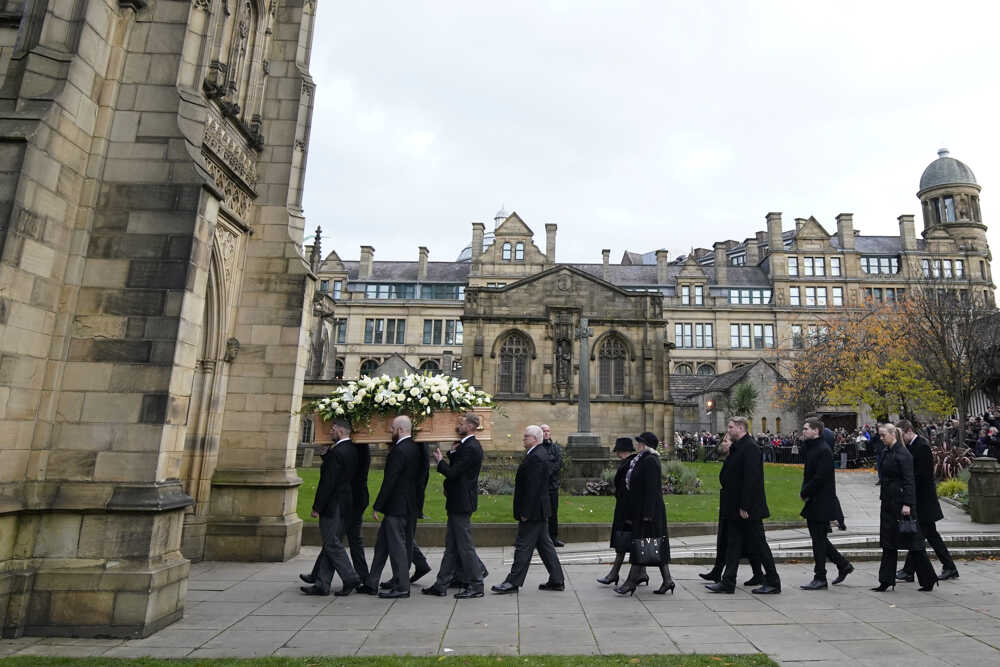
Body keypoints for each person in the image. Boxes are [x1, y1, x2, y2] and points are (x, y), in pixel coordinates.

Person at [706, 416, 781, 595]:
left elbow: (752, 479)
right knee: (733, 544)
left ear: (740, 428)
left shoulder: (750, 448)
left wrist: (745, 506)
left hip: (748, 509)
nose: (728, 430)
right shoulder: (738, 448)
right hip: (735, 506)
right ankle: (728, 581)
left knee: (760, 545)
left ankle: (773, 581)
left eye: (731, 427)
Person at [491, 425, 565, 594]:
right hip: (539, 510)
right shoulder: (536, 454)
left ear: (535, 439)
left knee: (523, 546)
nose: (523, 439)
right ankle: (557, 579)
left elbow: (533, 488)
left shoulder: (537, 457)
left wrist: (525, 512)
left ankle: (513, 582)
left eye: (526, 437)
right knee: (545, 546)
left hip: (533, 511)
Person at [422, 413, 486, 599]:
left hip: (461, 502)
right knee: (451, 546)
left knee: (465, 546)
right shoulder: (466, 446)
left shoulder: (471, 447)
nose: (458, 425)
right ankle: (441, 584)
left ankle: (476, 584)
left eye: (462, 423)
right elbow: (459, 465)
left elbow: (453, 473)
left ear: (472, 426)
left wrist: (440, 461)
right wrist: (451, 453)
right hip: (457, 501)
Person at [872, 423, 938, 592]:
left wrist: (908, 504)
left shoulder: (903, 454)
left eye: (883, 435)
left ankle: (928, 579)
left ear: (893, 434)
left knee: (914, 544)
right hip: (888, 502)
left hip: (901, 504)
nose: (881, 438)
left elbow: (909, 481)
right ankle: (886, 580)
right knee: (888, 543)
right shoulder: (888, 452)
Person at [301, 418, 361, 596]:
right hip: (346, 503)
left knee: (332, 543)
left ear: (341, 431)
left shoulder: (337, 453)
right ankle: (322, 583)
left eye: (333, 429)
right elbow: (342, 473)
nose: (330, 432)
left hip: (333, 504)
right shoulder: (352, 450)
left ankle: (350, 577)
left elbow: (328, 483)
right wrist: (326, 456)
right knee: (330, 543)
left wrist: (317, 507)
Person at [364, 416, 422, 599]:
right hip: (409, 504)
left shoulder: (398, 451)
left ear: (401, 430)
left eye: (392, 428)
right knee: (382, 545)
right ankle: (371, 582)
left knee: (397, 548)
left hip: (396, 506)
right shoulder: (417, 448)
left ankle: (403, 587)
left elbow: (390, 481)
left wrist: (378, 506)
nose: (390, 431)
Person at [896, 420, 959, 583]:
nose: (901, 438)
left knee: (925, 535)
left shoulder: (921, 446)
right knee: (926, 535)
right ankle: (913, 570)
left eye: (902, 434)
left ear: (909, 431)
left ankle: (947, 567)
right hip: (921, 500)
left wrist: (906, 487)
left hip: (924, 500)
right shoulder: (911, 446)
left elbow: (922, 475)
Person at [613, 432, 675, 595]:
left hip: (649, 511)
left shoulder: (650, 461)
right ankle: (668, 580)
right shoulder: (642, 459)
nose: (637, 445)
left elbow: (652, 490)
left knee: (642, 546)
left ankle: (630, 582)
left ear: (646, 445)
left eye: (640, 442)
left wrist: (648, 513)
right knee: (652, 546)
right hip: (642, 509)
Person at [699, 432, 764, 586]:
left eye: (726, 440)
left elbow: (749, 480)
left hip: (741, 505)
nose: (723, 443)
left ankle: (759, 576)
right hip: (731, 503)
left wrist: (744, 505)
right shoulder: (731, 457)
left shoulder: (745, 452)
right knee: (728, 540)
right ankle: (721, 572)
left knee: (748, 542)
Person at [798, 418, 853, 590]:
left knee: (818, 540)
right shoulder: (813, 448)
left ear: (816, 431)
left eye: (806, 429)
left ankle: (820, 577)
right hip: (815, 500)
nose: (803, 431)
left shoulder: (823, 450)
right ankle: (842, 565)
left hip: (821, 501)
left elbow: (820, 478)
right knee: (819, 538)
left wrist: (805, 492)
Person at [597, 437, 648, 587]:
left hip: (626, 510)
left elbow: (627, 489)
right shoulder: (631, 463)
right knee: (632, 543)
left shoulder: (628, 465)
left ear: (621, 451)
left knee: (623, 543)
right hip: (626, 509)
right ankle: (641, 573)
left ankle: (614, 574)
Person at [346, 431, 371, 591]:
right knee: (336, 538)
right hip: (355, 498)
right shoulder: (359, 448)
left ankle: (362, 577)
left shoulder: (359, 448)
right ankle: (319, 575)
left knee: (335, 539)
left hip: (354, 499)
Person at [540, 424, 564, 547]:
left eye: (548, 431)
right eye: (544, 431)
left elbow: (559, 463)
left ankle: (553, 537)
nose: (546, 433)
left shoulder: (556, 448)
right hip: (540, 487)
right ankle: (541, 539)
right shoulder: (538, 448)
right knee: (540, 513)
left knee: (553, 513)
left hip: (552, 486)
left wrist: (548, 472)